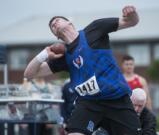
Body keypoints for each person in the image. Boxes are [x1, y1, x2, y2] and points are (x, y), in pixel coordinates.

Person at [24, 5, 141, 135]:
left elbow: (131, 21)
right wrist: (44, 54)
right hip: (88, 103)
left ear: (69, 22)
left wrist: (132, 13)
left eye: (57, 20)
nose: (54, 23)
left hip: (116, 99)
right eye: (52, 26)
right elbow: (29, 74)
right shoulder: (63, 57)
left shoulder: (95, 29)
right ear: (56, 36)